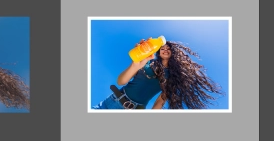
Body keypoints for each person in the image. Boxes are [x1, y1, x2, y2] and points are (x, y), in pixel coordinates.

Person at [92, 40, 223, 110]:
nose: (165, 50)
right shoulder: (148, 62)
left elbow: (158, 104)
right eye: (162, 48)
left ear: (174, 53)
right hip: (112, 103)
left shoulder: (172, 78)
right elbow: (121, 81)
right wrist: (135, 64)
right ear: (158, 51)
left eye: (168, 49)